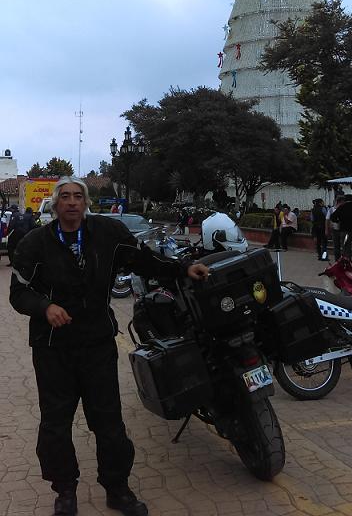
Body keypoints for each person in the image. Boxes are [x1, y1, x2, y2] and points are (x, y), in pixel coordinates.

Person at [9, 176, 209, 516]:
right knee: (55, 423)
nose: (72, 202)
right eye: (65, 197)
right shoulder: (34, 243)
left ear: (86, 203)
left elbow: (145, 261)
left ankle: (117, 488)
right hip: (53, 348)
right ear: (55, 205)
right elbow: (19, 292)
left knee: (108, 421)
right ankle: (65, 492)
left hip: (97, 344)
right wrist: (45, 307)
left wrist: (183, 269)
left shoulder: (108, 234)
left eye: (78, 196)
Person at [326, 195, 345, 260]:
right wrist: (327, 230)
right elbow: (327, 220)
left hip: (343, 229)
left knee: (344, 245)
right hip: (335, 229)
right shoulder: (331, 210)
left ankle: (343, 259)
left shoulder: (344, 209)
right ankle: (337, 260)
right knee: (336, 246)